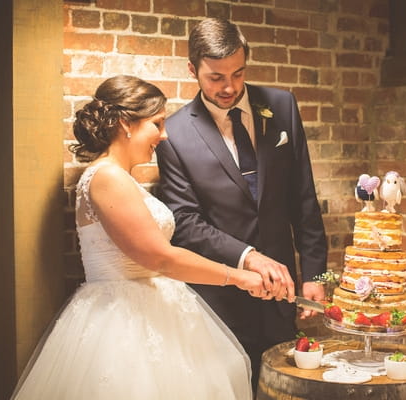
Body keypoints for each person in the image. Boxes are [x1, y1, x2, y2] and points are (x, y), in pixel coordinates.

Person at [11, 75, 275, 400]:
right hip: (122, 324)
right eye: (157, 124)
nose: (163, 136)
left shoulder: (122, 178)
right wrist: (238, 277)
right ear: (125, 123)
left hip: (156, 312)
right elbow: (159, 257)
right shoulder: (107, 177)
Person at [155, 18, 328, 392]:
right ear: (192, 69)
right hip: (220, 302)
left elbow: (304, 197)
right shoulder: (174, 133)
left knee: (284, 390)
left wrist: (316, 273)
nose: (230, 87)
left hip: (283, 297)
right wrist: (248, 257)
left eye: (238, 73)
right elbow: (184, 222)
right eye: (216, 77)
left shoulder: (282, 105)